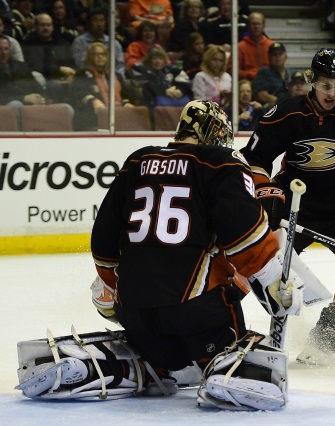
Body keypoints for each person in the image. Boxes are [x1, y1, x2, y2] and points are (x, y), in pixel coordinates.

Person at [16, 100, 299, 411]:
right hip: (198, 315)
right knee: (237, 337)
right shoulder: (220, 161)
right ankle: (224, 365)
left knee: (154, 350)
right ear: (215, 133)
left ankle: (131, 365)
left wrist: (112, 284)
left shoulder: (136, 161)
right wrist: (271, 276)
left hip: (134, 312)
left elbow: (103, 241)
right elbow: (243, 231)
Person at [240, 48, 335, 367]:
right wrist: (266, 189)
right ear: (311, 80)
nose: (332, 94)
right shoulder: (286, 112)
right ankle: (218, 323)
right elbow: (251, 159)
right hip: (294, 210)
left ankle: (325, 335)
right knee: (251, 257)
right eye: (325, 85)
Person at [71, 42, 134, 131]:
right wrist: (93, 100)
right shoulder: (82, 74)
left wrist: (126, 103)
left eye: (102, 54)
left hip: (118, 112)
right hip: (93, 113)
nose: (100, 57)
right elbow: (79, 93)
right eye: (96, 54)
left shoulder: (115, 75)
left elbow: (124, 94)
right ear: (90, 57)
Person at [21, 12, 76, 103]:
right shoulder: (28, 43)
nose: (45, 28)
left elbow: (71, 64)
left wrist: (69, 77)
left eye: (48, 25)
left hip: (63, 80)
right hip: (39, 81)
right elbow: (34, 65)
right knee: (53, 86)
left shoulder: (61, 43)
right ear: (35, 27)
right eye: (42, 25)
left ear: (52, 27)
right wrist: (59, 69)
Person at [72, 7, 126, 80]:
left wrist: (116, 79)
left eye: (102, 20)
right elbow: (82, 66)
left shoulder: (114, 43)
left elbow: (120, 66)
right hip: (89, 81)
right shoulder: (80, 42)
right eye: (95, 20)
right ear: (89, 23)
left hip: (113, 81)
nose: (99, 24)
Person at [233, 11, 273, 81]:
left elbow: (279, 68)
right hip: (248, 83)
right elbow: (232, 70)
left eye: (258, 24)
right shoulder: (240, 47)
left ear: (263, 27)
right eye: (253, 24)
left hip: (269, 81)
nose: (256, 27)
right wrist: (249, 74)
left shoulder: (271, 45)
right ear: (248, 26)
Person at [252, 42, 291, 109]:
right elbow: (262, 95)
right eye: (274, 54)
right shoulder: (264, 72)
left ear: (286, 57)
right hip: (271, 109)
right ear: (269, 57)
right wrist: (282, 102)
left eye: (280, 54)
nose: (277, 57)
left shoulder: (290, 73)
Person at [192, 45, 232, 109]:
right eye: (214, 59)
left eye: (220, 60)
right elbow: (199, 102)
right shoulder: (200, 77)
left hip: (226, 113)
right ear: (208, 60)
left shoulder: (227, 77)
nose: (217, 63)